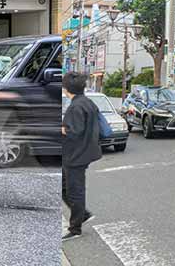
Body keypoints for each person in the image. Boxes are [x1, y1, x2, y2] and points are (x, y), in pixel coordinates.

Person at [61, 72, 102, 240]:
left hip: (75, 155)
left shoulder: (76, 107)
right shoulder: (89, 103)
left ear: (66, 89)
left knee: (74, 191)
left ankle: (75, 228)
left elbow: (73, 132)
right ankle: (82, 214)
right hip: (84, 152)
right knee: (65, 186)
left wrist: (62, 129)